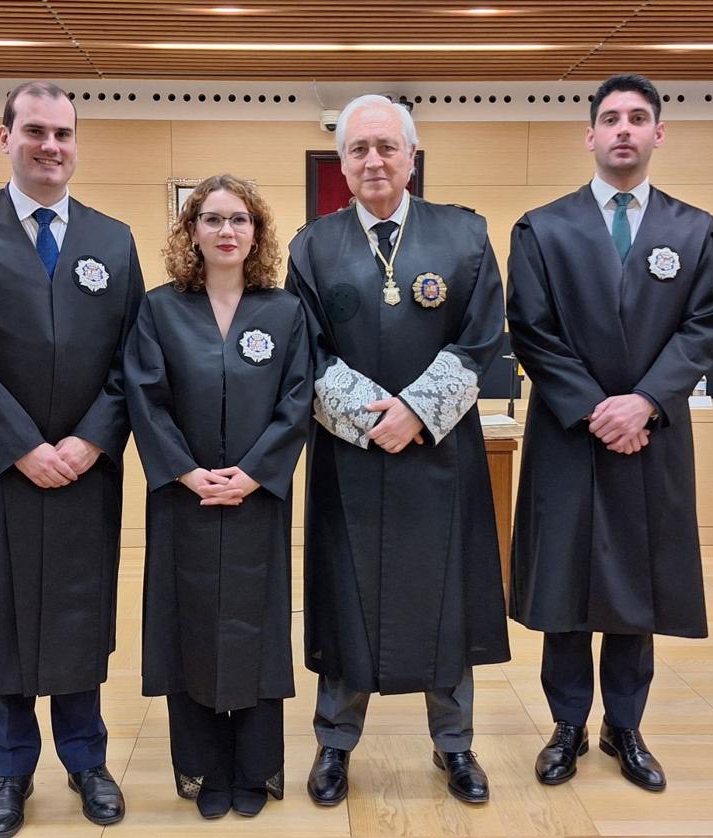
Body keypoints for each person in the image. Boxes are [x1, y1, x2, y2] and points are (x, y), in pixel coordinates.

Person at [0, 80, 143, 837]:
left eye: (64, 133)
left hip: (85, 467)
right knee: (2, 620)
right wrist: (23, 447)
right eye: (37, 132)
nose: (52, 146)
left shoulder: (112, 240)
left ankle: (87, 761)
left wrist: (87, 439)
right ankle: (10, 774)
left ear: (77, 143)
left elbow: (132, 360)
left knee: (80, 617)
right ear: (6, 136)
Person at [506, 73, 713, 793]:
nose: (624, 130)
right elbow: (531, 332)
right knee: (567, 588)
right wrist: (597, 408)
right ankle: (567, 724)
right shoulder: (543, 228)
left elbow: (706, 325)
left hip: (652, 435)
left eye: (638, 118)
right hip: (570, 436)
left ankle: (625, 726)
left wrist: (645, 403)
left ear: (659, 133)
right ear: (591, 136)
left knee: (638, 586)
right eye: (611, 118)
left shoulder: (693, 230)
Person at [286, 94, 510, 806]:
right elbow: (304, 351)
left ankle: (456, 746)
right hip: (349, 460)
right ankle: (334, 747)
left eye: (387, 147)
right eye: (358, 149)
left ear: (412, 157)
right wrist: (368, 416)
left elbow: (481, 340)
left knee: (446, 598)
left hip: (440, 459)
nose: (373, 160)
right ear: (342, 163)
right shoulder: (311, 247)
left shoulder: (467, 237)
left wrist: (415, 411)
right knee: (345, 598)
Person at [124, 174, 311, 819]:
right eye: (211, 219)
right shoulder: (159, 308)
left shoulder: (285, 312)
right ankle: (203, 769)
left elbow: (297, 400)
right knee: (190, 623)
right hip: (185, 498)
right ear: (191, 230)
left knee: (257, 625)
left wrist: (256, 472)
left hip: (258, 498)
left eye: (239, 220)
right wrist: (184, 472)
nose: (226, 231)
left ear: (256, 232)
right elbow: (145, 397)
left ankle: (256, 768)